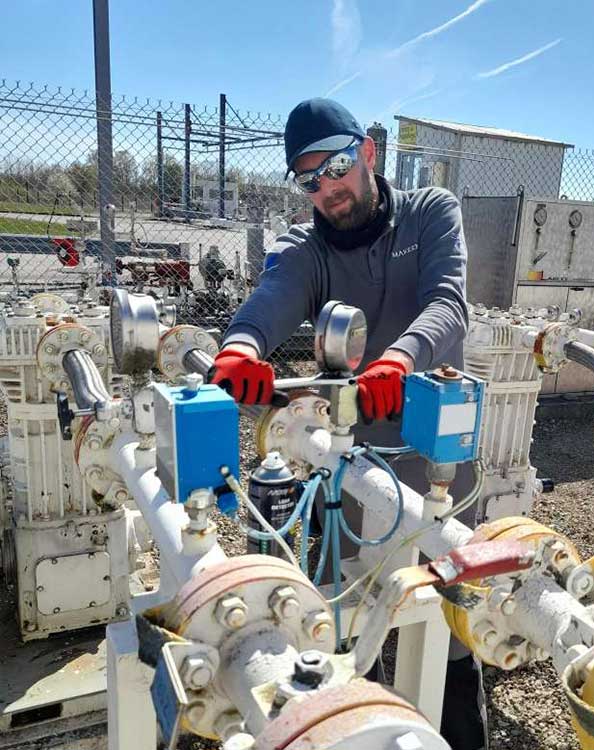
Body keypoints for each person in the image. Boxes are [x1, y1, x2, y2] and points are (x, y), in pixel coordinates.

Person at [210, 98, 485, 750]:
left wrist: (399, 360)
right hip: (350, 467)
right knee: (354, 620)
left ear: (367, 152)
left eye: (336, 166)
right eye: (309, 180)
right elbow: (271, 299)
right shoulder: (305, 250)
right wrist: (240, 348)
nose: (327, 188)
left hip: (438, 459)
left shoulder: (430, 211)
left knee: (451, 624)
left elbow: (449, 303)